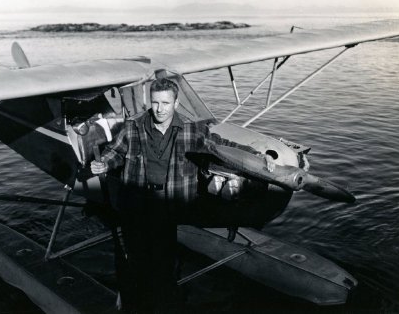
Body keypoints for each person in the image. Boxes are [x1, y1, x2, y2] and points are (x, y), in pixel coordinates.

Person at [91, 77, 274, 312]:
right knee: (135, 262)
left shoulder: (190, 130)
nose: (160, 109)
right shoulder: (133, 126)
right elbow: (115, 151)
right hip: (136, 203)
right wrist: (104, 164)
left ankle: (165, 305)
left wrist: (259, 157)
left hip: (168, 205)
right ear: (150, 101)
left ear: (176, 104)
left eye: (166, 103)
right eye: (155, 103)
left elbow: (221, 145)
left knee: (165, 265)